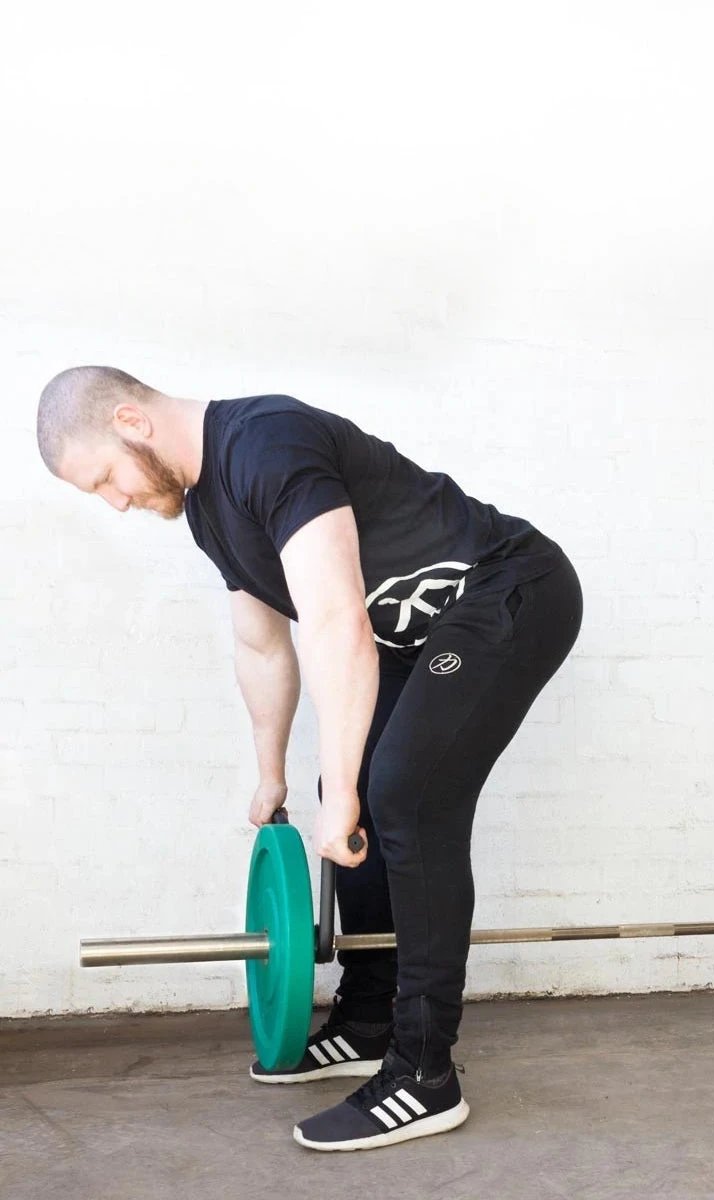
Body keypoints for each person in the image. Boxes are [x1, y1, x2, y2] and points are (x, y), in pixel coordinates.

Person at [36, 366, 583, 1152]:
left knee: (405, 792)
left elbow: (334, 619)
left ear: (131, 421)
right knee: (347, 783)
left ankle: (425, 1074)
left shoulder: (267, 443)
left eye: (104, 480)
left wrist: (348, 795)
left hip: (509, 591)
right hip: (422, 635)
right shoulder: (210, 513)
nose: (116, 502)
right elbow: (261, 646)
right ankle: (368, 1018)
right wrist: (274, 777)